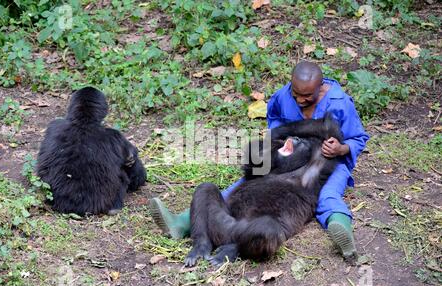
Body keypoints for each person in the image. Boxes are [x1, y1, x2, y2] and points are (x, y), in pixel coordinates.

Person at [149, 61, 369, 262]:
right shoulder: (283, 99)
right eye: (296, 95)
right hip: (231, 223)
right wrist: (280, 144)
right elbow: (266, 141)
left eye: (307, 96)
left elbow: (346, 134)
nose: (300, 100)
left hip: (258, 230)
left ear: (319, 88)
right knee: (212, 189)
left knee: (328, 197)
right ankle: (196, 237)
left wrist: (340, 148)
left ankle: (341, 227)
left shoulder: (318, 157)